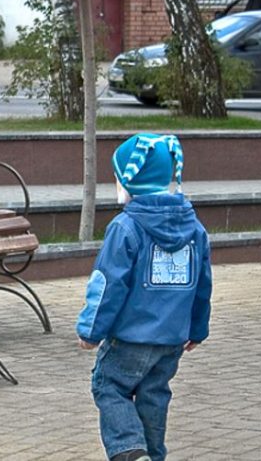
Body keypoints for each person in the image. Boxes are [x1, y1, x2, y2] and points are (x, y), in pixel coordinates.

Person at [76, 133, 212, 461]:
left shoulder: (125, 227)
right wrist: (197, 328)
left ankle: (129, 451)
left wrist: (90, 330)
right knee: (153, 397)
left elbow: (107, 285)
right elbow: (203, 285)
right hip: (170, 342)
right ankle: (153, 454)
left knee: (109, 387)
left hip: (129, 339)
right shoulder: (195, 229)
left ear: (129, 182)